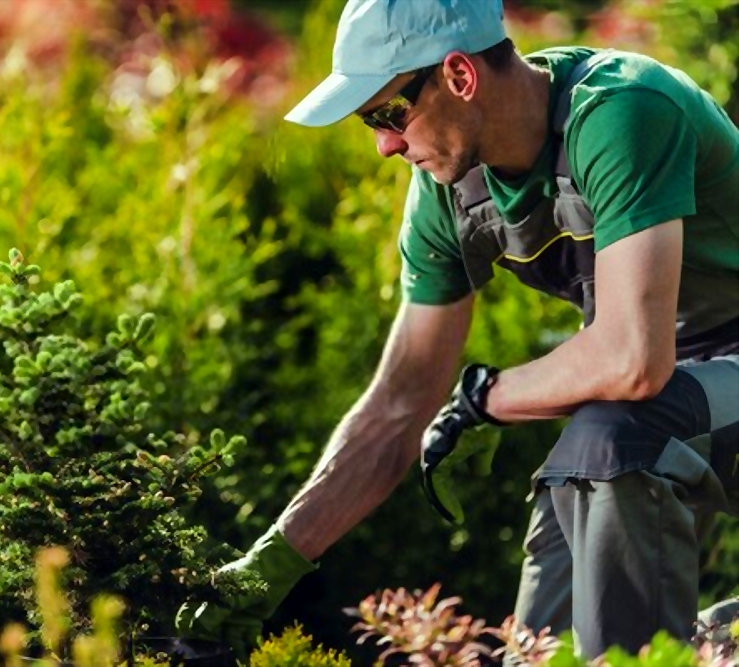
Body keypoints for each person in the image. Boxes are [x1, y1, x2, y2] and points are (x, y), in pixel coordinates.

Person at [176, 0, 739, 661]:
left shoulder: (622, 109)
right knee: (568, 508)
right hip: (687, 383)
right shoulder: (448, 194)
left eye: (388, 114)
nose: (385, 143)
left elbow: (632, 359)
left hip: (685, 373)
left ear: (459, 76)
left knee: (615, 437)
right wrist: (268, 564)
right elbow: (397, 404)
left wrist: (483, 398)